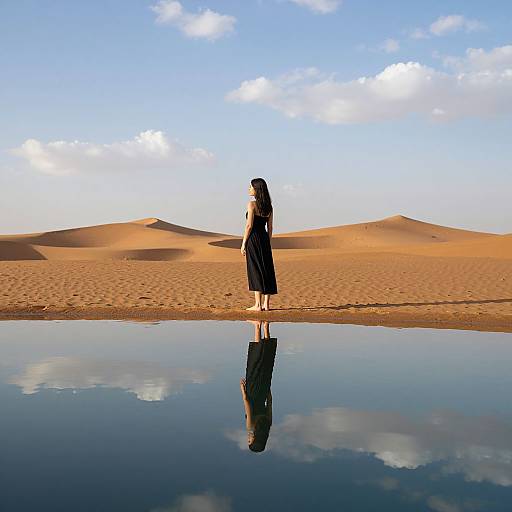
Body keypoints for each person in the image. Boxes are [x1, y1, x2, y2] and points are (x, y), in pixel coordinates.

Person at [240, 320, 277, 453]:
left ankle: (266, 326)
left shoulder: (268, 424)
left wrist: (267, 388)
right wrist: (243, 391)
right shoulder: (251, 426)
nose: (248, 438)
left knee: (266, 362)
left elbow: (270, 402)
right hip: (252, 391)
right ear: (255, 439)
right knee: (254, 362)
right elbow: (247, 404)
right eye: (250, 441)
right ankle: (257, 326)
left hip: (263, 390)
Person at [241, 178, 278, 311]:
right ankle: (266, 305)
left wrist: (244, 243)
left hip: (253, 238)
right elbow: (271, 227)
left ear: (256, 189)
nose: (249, 189)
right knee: (267, 268)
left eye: (251, 186)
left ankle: (257, 304)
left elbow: (249, 225)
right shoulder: (269, 207)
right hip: (264, 238)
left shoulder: (251, 205)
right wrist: (268, 242)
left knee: (255, 268)